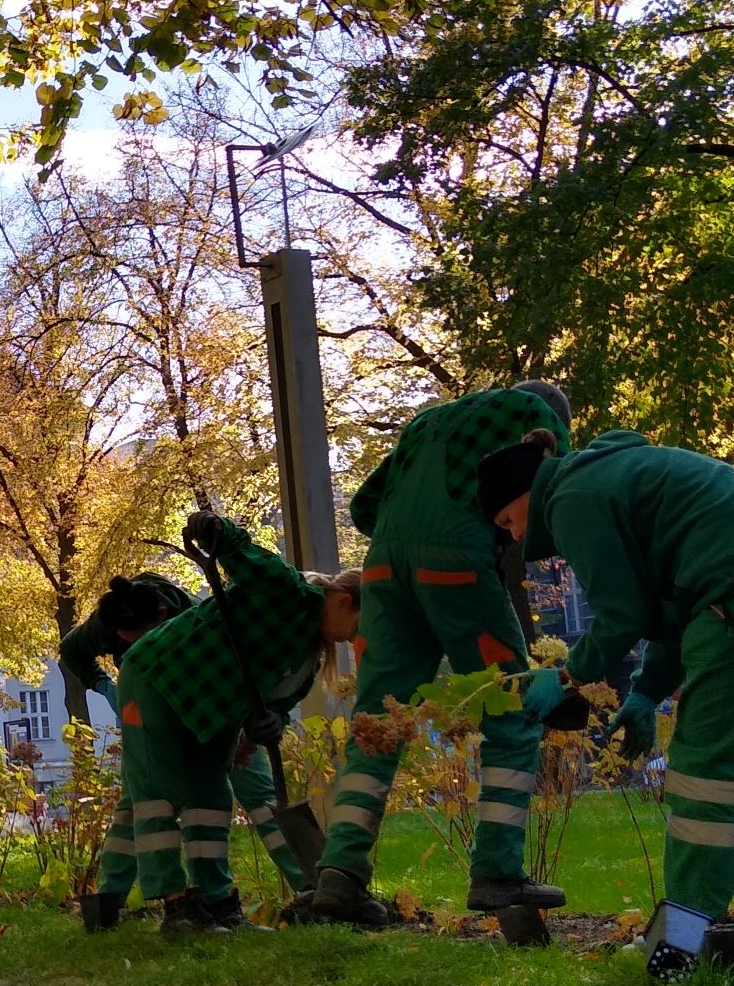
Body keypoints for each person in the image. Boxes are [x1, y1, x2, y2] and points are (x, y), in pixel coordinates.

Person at [477, 429, 734, 953]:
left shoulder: (570, 498)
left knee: (704, 769)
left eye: (508, 520)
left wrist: (566, 676)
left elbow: (623, 612)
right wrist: (647, 691)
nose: (515, 537)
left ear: (525, 491)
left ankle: (684, 942)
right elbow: (676, 607)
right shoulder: (626, 476)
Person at [310, 383, 575, 929]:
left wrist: (405, 537)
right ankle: (498, 872)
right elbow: (559, 493)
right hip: (453, 563)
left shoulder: (426, 421)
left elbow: (363, 506)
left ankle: (340, 873)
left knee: (376, 721)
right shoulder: (535, 412)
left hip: (382, 570)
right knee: (511, 708)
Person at [116, 513, 363, 937]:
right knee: (158, 791)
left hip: (209, 707)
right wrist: (217, 531)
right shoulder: (289, 592)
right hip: (156, 679)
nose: (354, 641)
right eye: (359, 627)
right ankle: (177, 907)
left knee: (211, 794)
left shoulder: (309, 658)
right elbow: (247, 558)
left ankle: (218, 904)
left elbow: (277, 701)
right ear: (344, 601)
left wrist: (269, 722)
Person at [60, 573, 317, 922]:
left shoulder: (204, 624)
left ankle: (313, 889)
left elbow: (247, 681)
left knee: (257, 794)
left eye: (143, 641)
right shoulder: (110, 619)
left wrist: (257, 728)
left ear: (164, 618)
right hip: (150, 712)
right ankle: (111, 901)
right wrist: (103, 685)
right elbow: (72, 650)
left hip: (214, 709)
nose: (137, 650)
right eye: (128, 644)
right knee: (143, 797)